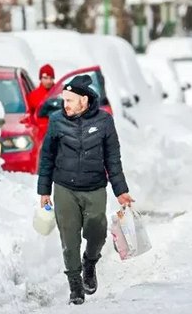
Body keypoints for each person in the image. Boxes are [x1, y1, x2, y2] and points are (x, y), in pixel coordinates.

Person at [37, 75, 134, 305]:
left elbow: (113, 159)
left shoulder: (104, 121)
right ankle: (75, 285)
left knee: (97, 232)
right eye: (63, 100)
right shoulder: (57, 121)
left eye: (69, 100)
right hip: (64, 188)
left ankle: (89, 263)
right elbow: (47, 156)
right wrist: (44, 190)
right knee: (69, 238)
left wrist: (120, 190)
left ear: (84, 100)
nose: (65, 105)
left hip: (94, 188)